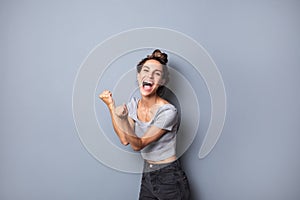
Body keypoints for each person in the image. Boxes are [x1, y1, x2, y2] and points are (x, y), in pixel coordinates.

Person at [99, 49, 190, 200]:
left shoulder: (168, 112)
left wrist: (122, 118)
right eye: (146, 71)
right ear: (139, 76)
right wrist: (110, 106)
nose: (150, 75)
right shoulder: (134, 105)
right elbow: (124, 138)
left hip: (170, 178)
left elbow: (138, 145)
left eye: (157, 73)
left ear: (162, 81)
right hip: (147, 174)